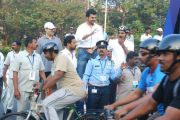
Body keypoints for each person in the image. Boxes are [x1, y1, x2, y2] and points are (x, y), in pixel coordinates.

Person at [120, 34, 180, 120]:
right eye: (159, 54)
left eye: (165, 54)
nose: (160, 58)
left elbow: (169, 117)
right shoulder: (166, 79)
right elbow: (150, 103)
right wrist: (125, 113)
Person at [105, 38, 166, 120]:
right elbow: (136, 94)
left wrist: (125, 109)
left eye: (143, 54)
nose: (140, 57)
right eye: (139, 54)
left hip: (166, 113)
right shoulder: (146, 71)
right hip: (158, 111)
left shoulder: (161, 72)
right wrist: (114, 105)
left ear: (155, 55)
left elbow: (151, 100)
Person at [42, 42, 86, 120]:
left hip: (72, 89)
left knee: (47, 104)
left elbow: (58, 75)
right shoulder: (56, 61)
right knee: (55, 109)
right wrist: (41, 85)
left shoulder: (61, 57)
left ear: (51, 52)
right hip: (69, 90)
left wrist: (43, 88)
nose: (45, 56)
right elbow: (51, 77)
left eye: (46, 53)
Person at [83, 40, 121, 109]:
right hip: (93, 89)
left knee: (103, 112)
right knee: (91, 111)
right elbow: (86, 76)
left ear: (106, 50)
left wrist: (120, 69)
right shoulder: (92, 61)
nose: (101, 49)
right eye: (99, 48)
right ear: (97, 50)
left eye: (103, 48)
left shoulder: (110, 62)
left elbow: (113, 77)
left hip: (105, 89)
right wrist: (84, 90)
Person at [12, 37, 46, 112]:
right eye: (35, 42)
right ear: (29, 44)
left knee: (36, 111)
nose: (37, 44)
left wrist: (46, 83)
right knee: (21, 112)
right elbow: (15, 74)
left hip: (35, 90)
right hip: (23, 90)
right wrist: (16, 90)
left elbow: (41, 71)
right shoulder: (19, 56)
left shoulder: (38, 56)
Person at [75, 8, 104, 79]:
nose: (94, 19)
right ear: (87, 17)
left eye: (95, 17)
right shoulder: (81, 27)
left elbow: (101, 40)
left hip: (95, 51)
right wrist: (90, 33)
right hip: (83, 51)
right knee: (81, 72)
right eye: (92, 17)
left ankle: (92, 88)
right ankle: (81, 89)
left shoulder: (98, 27)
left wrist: (93, 48)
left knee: (95, 71)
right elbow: (79, 38)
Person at [3, 40, 21, 113]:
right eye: (12, 45)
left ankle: (21, 109)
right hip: (11, 77)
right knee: (10, 93)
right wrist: (4, 77)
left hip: (21, 77)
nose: (12, 46)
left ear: (19, 46)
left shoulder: (23, 54)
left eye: (14, 45)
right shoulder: (9, 54)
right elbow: (6, 66)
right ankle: (8, 108)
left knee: (21, 93)